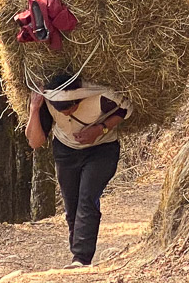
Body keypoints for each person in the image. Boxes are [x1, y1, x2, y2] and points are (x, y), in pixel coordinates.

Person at [25, 71, 129, 269]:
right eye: (61, 110)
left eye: (71, 108)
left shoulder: (102, 96)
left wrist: (100, 129)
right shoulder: (48, 104)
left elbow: (125, 109)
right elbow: (35, 141)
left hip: (102, 150)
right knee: (71, 204)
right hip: (66, 152)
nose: (66, 113)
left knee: (87, 198)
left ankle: (81, 257)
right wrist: (34, 109)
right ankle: (77, 254)